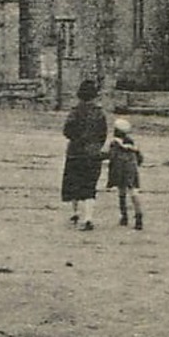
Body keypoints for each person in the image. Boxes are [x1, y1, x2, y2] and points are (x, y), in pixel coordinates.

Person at [61, 79, 109, 231]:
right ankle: (88, 218)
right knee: (90, 185)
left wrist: (77, 139)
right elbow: (103, 134)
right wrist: (95, 146)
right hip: (93, 153)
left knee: (73, 183)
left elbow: (67, 131)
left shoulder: (75, 111)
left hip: (75, 152)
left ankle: (75, 213)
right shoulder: (99, 113)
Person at [107, 117, 145, 230]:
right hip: (131, 169)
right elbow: (140, 158)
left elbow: (111, 156)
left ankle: (124, 216)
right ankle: (138, 215)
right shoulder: (132, 145)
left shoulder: (114, 144)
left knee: (121, 192)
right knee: (134, 192)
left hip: (119, 169)